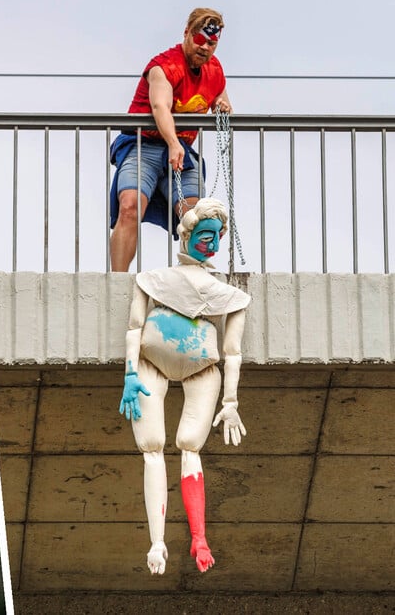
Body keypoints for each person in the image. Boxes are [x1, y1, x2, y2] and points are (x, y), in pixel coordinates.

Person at [119, 197, 249, 575]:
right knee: (152, 447)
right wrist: (129, 374)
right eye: (203, 235)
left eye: (215, 236)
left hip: (202, 370)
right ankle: (157, 542)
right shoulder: (155, 279)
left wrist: (231, 400)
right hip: (150, 366)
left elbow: (233, 351)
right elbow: (134, 328)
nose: (209, 243)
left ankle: (199, 537)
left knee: (190, 446)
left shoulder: (228, 295)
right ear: (188, 235)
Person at [109, 8, 232, 272]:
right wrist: (174, 143)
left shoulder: (215, 69)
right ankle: (117, 281)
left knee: (197, 217)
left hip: (181, 152)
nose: (205, 48)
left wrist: (222, 105)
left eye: (211, 43)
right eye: (200, 40)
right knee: (130, 205)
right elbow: (160, 107)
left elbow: (220, 95)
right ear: (187, 33)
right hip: (144, 146)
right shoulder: (164, 66)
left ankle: (195, 275)